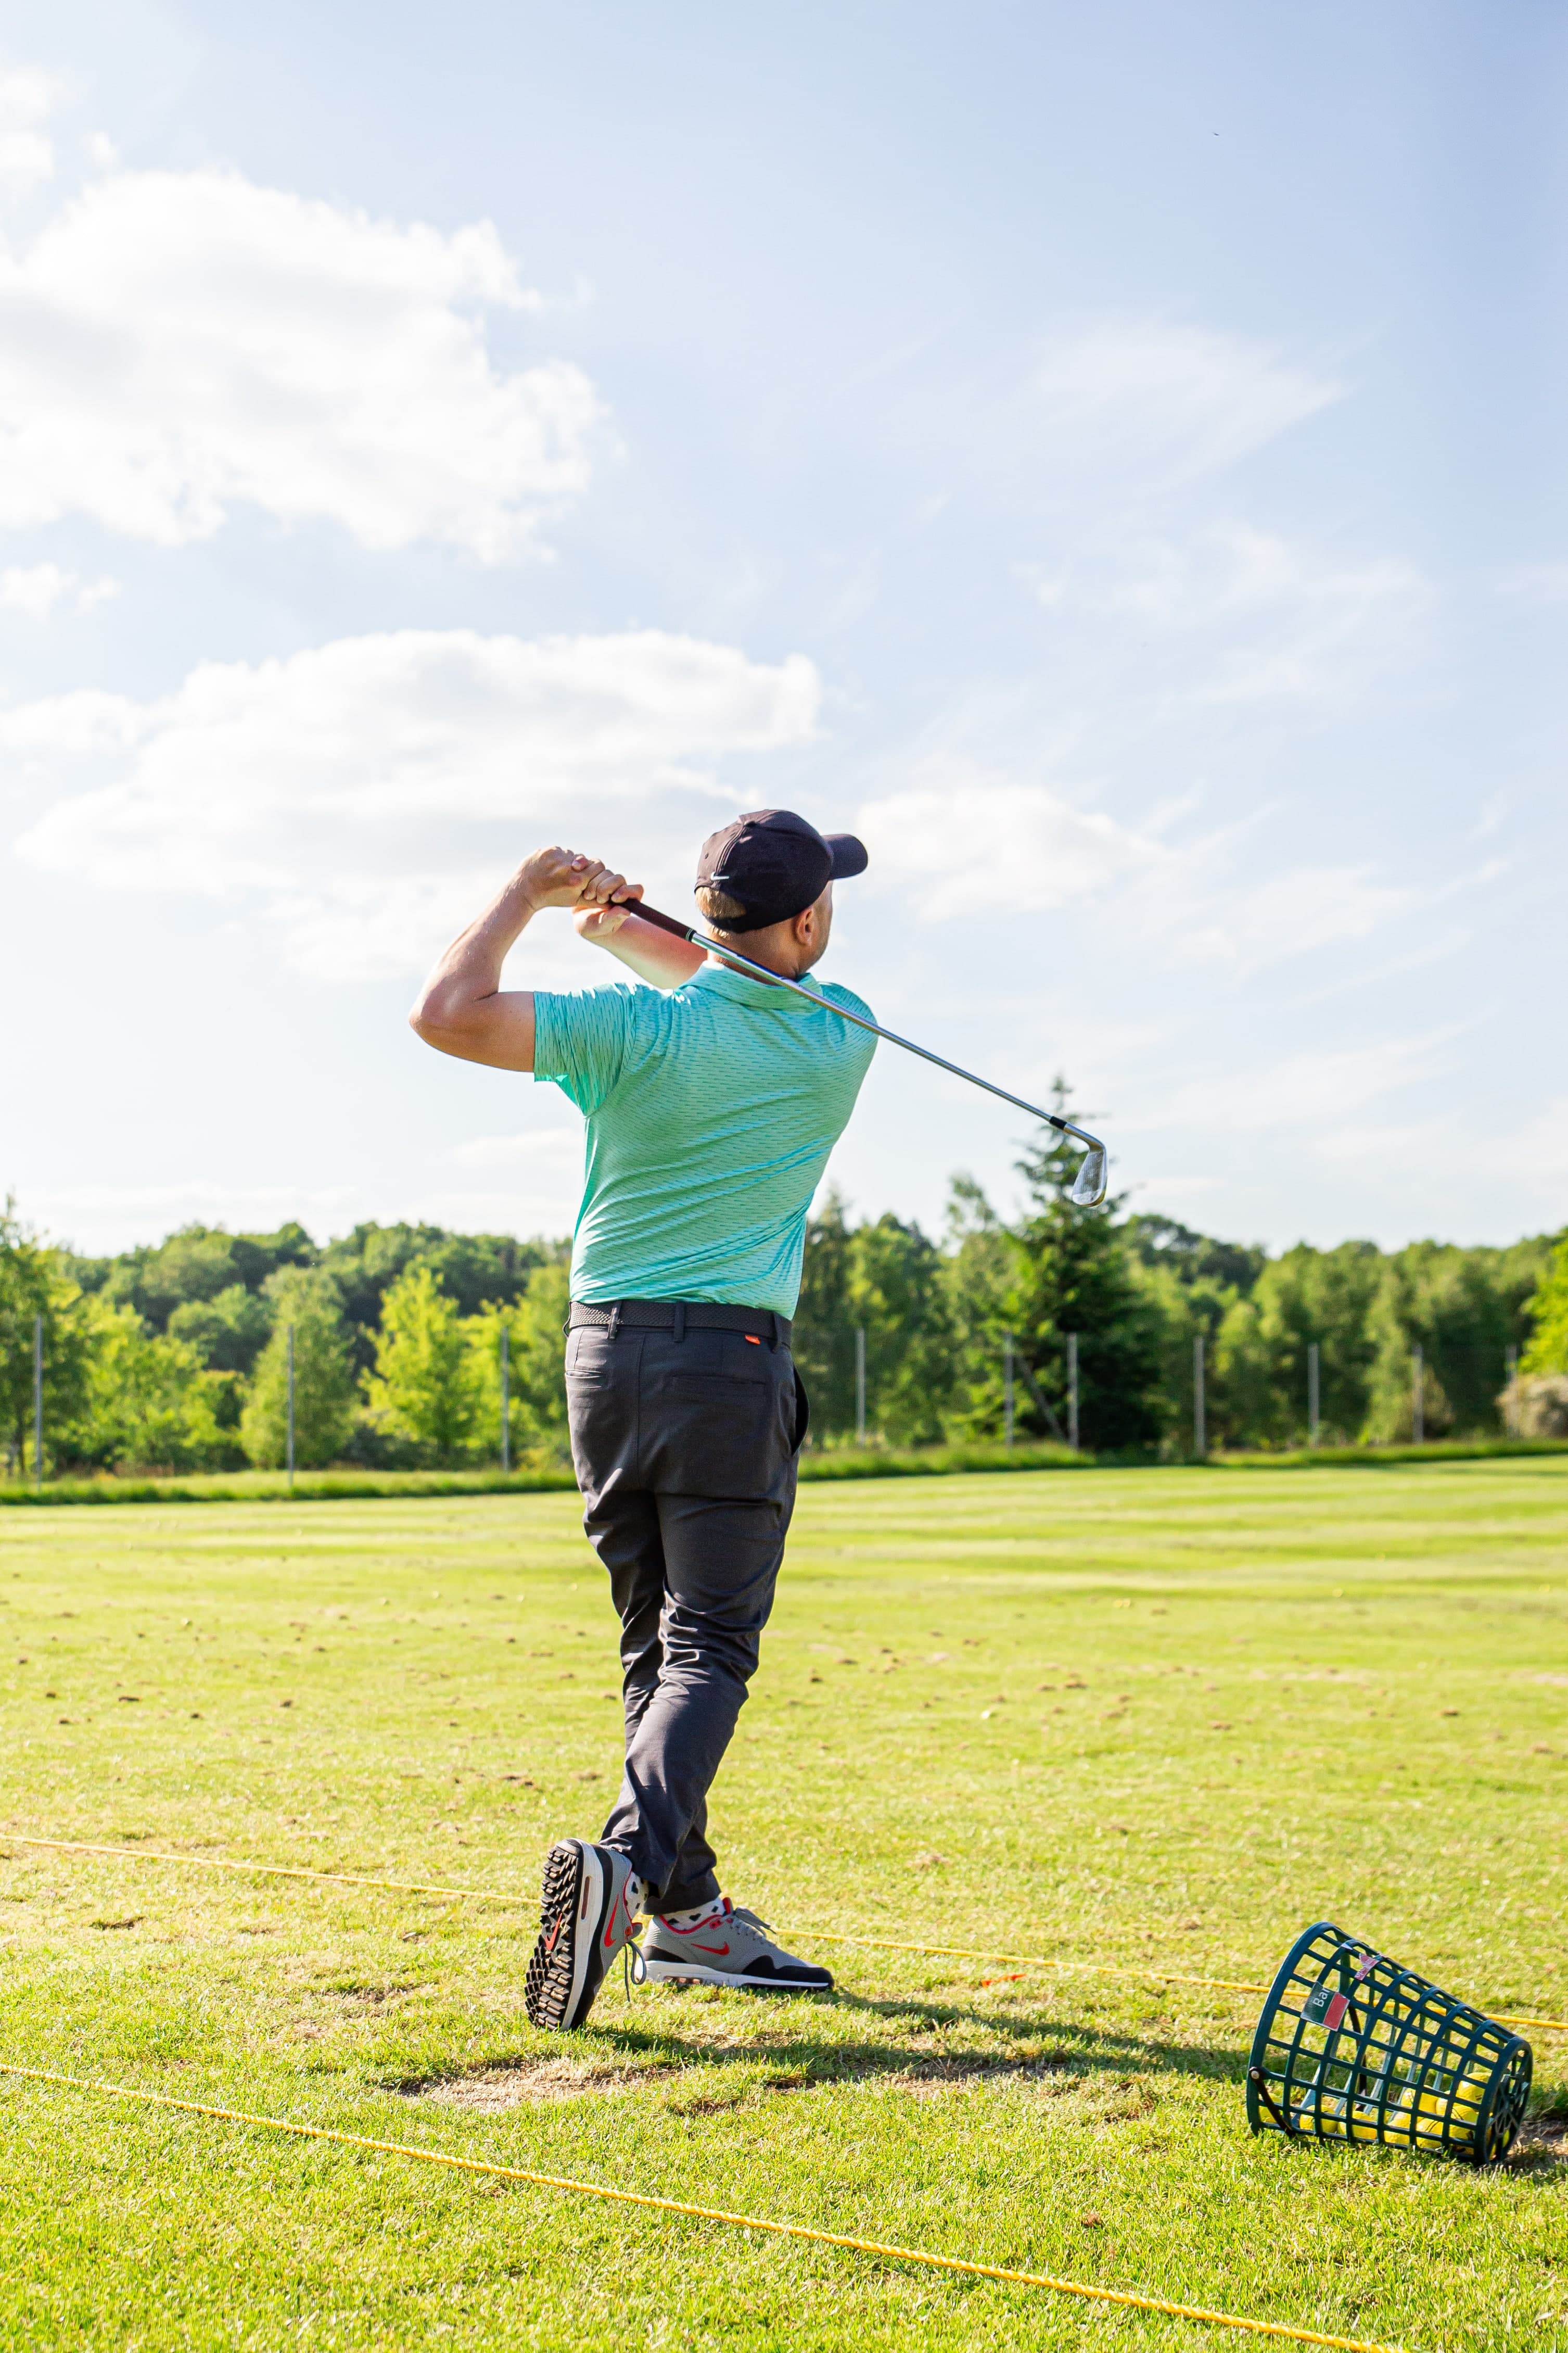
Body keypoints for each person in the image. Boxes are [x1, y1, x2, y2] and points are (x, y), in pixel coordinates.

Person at [409, 809, 876, 2030]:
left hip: (603, 1356)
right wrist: (630, 932)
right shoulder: (844, 1032)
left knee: (651, 1644)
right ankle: (626, 1867)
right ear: (811, 920)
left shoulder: (624, 1032)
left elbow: (446, 1010)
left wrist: (529, 895)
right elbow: (732, 986)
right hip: (730, 1360)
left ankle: (686, 1915)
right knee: (708, 1646)